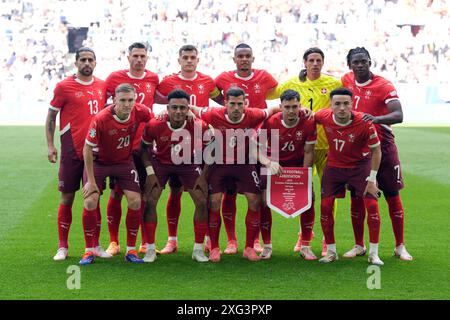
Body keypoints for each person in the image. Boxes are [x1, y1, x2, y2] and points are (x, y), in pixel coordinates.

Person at [189, 87, 280, 262]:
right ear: (225, 104)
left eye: (240, 104)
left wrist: (296, 109)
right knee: (214, 202)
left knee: (255, 201)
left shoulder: (253, 114)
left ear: (245, 104)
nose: (237, 108)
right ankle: (215, 247)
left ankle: (248, 248)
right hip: (219, 165)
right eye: (233, 104)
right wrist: (175, 111)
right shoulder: (213, 113)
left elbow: (273, 109)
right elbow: (192, 108)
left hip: (244, 164)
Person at [267, 47, 342, 255]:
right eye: (311, 60)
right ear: (304, 62)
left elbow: (343, 101)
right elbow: (270, 93)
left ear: (323, 63)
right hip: (304, 147)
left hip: (327, 146)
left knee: (329, 194)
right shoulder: (291, 83)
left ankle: (328, 238)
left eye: (319, 60)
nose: (315, 64)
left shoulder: (334, 83)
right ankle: (304, 235)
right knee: (303, 193)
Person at [341, 47, 413, 261]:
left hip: (384, 146)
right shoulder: (346, 80)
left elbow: (398, 115)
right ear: (350, 65)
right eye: (356, 62)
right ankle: (359, 245)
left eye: (364, 61)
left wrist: (375, 119)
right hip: (358, 149)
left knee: (392, 195)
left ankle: (400, 246)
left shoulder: (383, 85)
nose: (360, 65)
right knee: (357, 197)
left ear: (370, 61)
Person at [153, 44, 222, 254]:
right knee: (174, 192)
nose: (189, 60)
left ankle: (208, 239)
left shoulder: (207, 81)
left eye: (193, 57)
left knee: (205, 193)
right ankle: (172, 240)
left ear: (198, 60)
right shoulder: (168, 82)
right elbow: (154, 100)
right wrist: (164, 115)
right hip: (176, 144)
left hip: (202, 143)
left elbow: (222, 100)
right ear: (179, 59)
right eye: (186, 57)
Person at [214, 43, 278, 255]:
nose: (244, 59)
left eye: (247, 56)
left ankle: (256, 240)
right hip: (235, 143)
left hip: (261, 141)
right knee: (229, 194)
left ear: (253, 58)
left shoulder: (265, 77)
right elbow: (216, 98)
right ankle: (231, 240)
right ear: (234, 59)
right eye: (240, 56)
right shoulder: (223, 78)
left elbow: (274, 102)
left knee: (259, 194)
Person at [80, 83, 153, 265]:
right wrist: (90, 181)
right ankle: (89, 250)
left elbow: (154, 121)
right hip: (99, 162)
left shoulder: (140, 111)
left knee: (136, 201)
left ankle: (131, 250)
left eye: (130, 100)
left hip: (123, 162)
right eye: (123, 100)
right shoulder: (101, 118)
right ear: (114, 100)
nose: (127, 104)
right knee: (90, 201)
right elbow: (87, 149)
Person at [46, 47, 108, 261]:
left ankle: (95, 245)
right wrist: (50, 145)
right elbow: (51, 117)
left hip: (96, 152)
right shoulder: (64, 87)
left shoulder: (103, 86)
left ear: (95, 62)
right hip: (71, 151)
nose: (87, 63)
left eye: (91, 59)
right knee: (67, 197)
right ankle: (63, 246)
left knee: (94, 197)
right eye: (83, 60)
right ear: (76, 62)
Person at [314, 87, 384, 266]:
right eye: (337, 104)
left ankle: (374, 253)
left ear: (352, 104)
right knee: (325, 206)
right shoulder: (323, 116)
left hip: (360, 167)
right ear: (331, 105)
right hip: (334, 168)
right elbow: (308, 117)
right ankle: (331, 252)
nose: (342, 108)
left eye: (346, 104)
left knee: (372, 206)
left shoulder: (364, 122)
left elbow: (376, 151)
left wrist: (372, 179)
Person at [140, 89, 211, 263]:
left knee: (202, 201)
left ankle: (198, 249)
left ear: (188, 109)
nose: (178, 111)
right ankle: (150, 249)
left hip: (187, 163)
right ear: (168, 108)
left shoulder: (199, 125)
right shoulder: (155, 124)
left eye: (182, 108)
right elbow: (143, 149)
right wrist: (150, 173)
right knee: (149, 201)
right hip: (161, 163)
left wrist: (203, 176)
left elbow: (212, 150)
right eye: (174, 108)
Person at [104, 42, 160, 256]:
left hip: (144, 147)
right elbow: (104, 107)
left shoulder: (154, 79)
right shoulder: (114, 78)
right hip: (120, 147)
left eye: (142, 55)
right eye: (135, 55)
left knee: (145, 195)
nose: (139, 59)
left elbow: (163, 101)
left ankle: (145, 242)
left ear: (147, 58)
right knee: (116, 193)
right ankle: (113, 241)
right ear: (128, 57)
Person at [258, 89, 317, 260]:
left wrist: (305, 176)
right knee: (263, 200)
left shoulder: (308, 122)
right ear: (281, 107)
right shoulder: (271, 121)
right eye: (287, 107)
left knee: (309, 199)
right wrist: (269, 163)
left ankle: (305, 246)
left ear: (300, 106)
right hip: (273, 163)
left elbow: (309, 152)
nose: (291, 111)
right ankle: (267, 246)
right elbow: (259, 148)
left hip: (298, 165)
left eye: (295, 107)